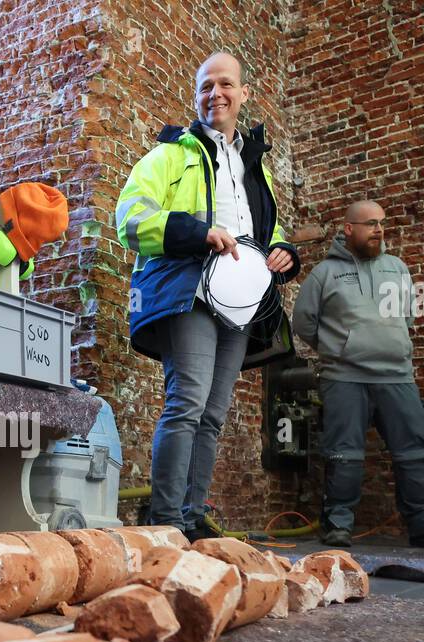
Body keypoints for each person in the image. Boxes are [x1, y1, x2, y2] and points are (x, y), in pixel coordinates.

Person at [115, 51, 300, 542]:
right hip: (188, 291)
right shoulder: (170, 155)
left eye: (224, 84)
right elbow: (129, 219)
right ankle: (166, 520)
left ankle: (192, 517)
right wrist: (196, 232)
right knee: (187, 402)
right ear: (197, 97)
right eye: (204, 87)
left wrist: (283, 251)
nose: (214, 93)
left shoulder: (253, 165)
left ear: (242, 94)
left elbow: (269, 229)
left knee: (214, 415)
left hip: (241, 303)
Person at [291, 200, 424, 550]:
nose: (378, 229)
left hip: (396, 375)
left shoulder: (397, 268)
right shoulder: (324, 274)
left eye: (381, 223)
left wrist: (390, 344)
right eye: (370, 223)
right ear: (348, 229)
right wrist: (340, 347)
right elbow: (304, 323)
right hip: (343, 376)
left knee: (415, 451)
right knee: (344, 453)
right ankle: (338, 525)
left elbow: (406, 318)